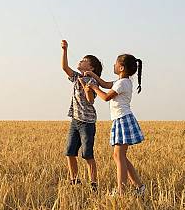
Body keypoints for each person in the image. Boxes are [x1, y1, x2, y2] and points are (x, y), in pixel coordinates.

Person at [86, 54, 146, 196]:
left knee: (118, 156)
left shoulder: (122, 83)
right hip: (121, 119)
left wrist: (94, 88)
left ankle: (121, 191)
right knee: (120, 156)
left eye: (115, 63)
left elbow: (106, 97)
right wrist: (93, 75)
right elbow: (105, 84)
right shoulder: (122, 81)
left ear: (121, 67)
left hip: (122, 119)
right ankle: (139, 187)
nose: (113, 65)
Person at [61, 39, 103, 190]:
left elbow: (91, 101)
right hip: (75, 120)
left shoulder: (93, 81)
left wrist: (87, 90)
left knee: (87, 154)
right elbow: (65, 68)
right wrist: (64, 50)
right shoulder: (76, 77)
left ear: (91, 67)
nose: (81, 60)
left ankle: (93, 183)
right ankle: (74, 180)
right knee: (70, 152)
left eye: (85, 60)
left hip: (87, 122)